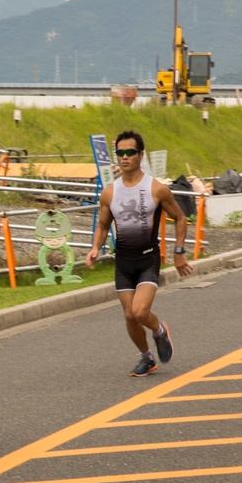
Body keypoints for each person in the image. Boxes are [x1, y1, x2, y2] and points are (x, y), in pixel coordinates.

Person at [85, 130, 193, 377]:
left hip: (147, 258)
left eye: (130, 152)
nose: (124, 157)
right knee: (129, 315)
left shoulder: (156, 189)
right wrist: (94, 248)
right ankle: (147, 357)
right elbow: (103, 225)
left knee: (140, 312)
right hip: (123, 261)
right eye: (120, 153)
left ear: (140, 155)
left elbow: (179, 218)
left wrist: (179, 252)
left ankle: (159, 332)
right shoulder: (110, 192)